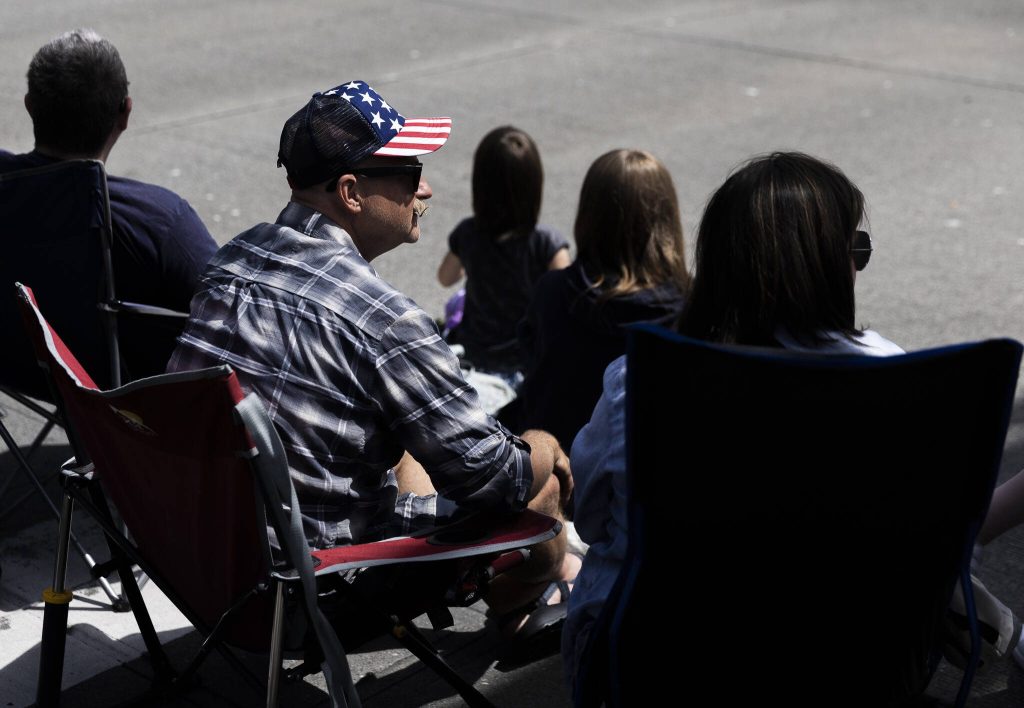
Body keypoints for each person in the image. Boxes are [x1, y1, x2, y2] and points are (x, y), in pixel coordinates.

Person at [168, 81, 579, 648]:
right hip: (318, 588)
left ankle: (541, 584)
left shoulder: (231, 259)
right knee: (542, 486)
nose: (426, 189)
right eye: (410, 173)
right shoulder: (385, 321)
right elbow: (497, 481)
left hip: (199, 561)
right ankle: (533, 595)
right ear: (351, 192)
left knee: (407, 429)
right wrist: (545, 445)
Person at [562, 151, 905, 697]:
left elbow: (592, 520)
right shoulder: (896, 377)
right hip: (845, 660)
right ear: (827, 267)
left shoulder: (642, 379)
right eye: (854, 251)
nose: (857, 267)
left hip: (659, 663)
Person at [0, 28, 217, 383]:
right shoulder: (160, 220)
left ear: (29, 105)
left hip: (13, 366)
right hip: (110, 392)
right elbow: (232, 314)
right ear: (125, 114)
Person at [514, 148, 690, 451]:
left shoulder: (553, 291)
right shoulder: (691, 307)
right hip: (644, 478)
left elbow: (531, 371)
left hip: (557, 469)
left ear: (588, 216)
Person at [436, 126, 569, 411]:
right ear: (535, 187)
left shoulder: (469, 233)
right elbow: (567, 297)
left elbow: (445, 277)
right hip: (524, 364)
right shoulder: (547, 243)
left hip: (473, 356)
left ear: (479, 186)